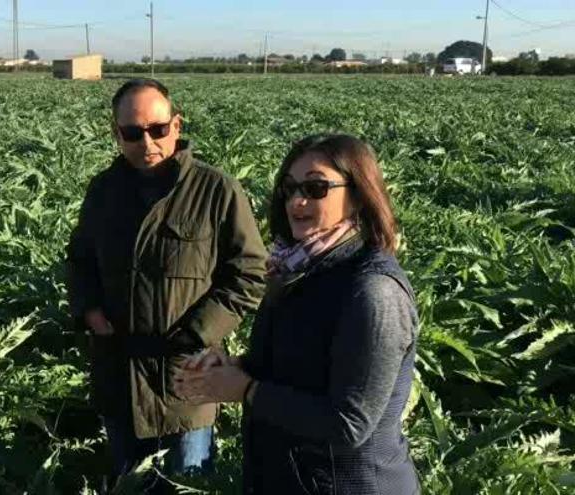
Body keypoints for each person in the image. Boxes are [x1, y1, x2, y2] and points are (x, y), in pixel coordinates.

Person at [175, 134, 420, 494]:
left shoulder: (373, 291)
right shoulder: (298, 270)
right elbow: (302, 369)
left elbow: (350, 423)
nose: (297, 201)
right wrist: (234, 369)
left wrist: (247, 389)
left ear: (357, 194)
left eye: (316, 187)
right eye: (288, 188)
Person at [66, 78, 266, 480]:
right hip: (119, 375)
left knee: (186, 483)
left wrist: (196, 333)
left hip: (186, 380)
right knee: (130, 483)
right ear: (116, 134)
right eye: (132, 133)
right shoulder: (103, 191)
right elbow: (80, 259)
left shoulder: (217, 190)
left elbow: (249, 272)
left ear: (177, 125)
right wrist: (87, 309)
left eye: (158, 129)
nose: (147, 142)